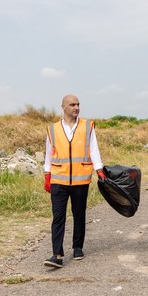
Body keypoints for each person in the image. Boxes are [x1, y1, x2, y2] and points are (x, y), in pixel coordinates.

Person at [43, 94, 106, 268]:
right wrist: (47, 174)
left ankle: (78, 247)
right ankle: (57, 254)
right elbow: (49, 153)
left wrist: (99, 169)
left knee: (79, 214)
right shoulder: (52, 129)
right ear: (63, 107)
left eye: (78, 104)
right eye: (72, 105)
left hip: (80, 179)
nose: (76, 107)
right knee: (58, 217)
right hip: (58, 179)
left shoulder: (87, 126)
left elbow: (93, 149)